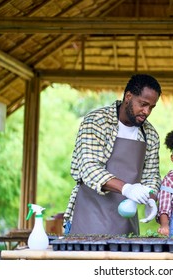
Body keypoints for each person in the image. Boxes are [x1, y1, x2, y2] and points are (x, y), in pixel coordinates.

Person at [63, 74, 162, 235]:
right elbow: (89, 168)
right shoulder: (97, 122)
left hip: (126, 224)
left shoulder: (150, 134)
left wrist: (150, 197)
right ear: (128, 97)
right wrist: (127, 189)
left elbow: (152, 176)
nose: (147, 111)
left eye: (151, 107)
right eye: (143, 104)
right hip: (89, 217)